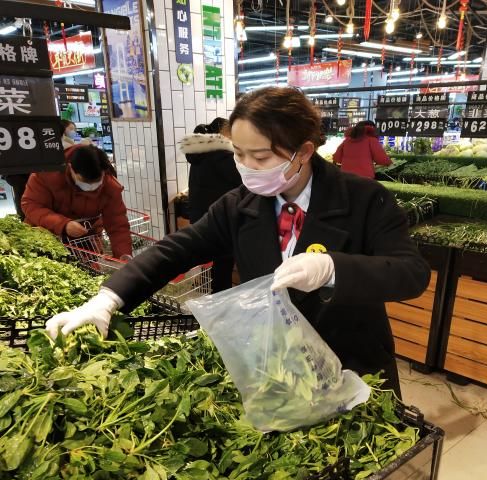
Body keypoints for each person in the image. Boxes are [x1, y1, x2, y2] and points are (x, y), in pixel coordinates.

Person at [45, 87, 430, 397]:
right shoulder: (239, 205)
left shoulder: (365, 199)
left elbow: (411, 273)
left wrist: (332, 269)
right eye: (239, 154)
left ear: (303, 152)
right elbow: (176, 249)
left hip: (353, 365)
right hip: (279, 369)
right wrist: (108, 298)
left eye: (260, 157)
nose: (246, 167)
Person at [22, 144, 132, 260]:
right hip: (44, 241)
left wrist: (123, 257)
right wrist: (63, 224)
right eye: (84, 181)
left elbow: (117, 224)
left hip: (85, 244)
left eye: (97, 181)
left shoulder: (110, 185)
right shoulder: (47, 172)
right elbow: (30, 204)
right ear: (71, 168)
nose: (91, 186)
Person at [179, 117, 242, 292]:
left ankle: (209, 290)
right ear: (223, 132)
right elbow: (240, 180)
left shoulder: (199, 151)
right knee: (223, 262)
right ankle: (220, 297)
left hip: (201, 216)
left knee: (210, 257)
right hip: (220, 219)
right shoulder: (222, 154)